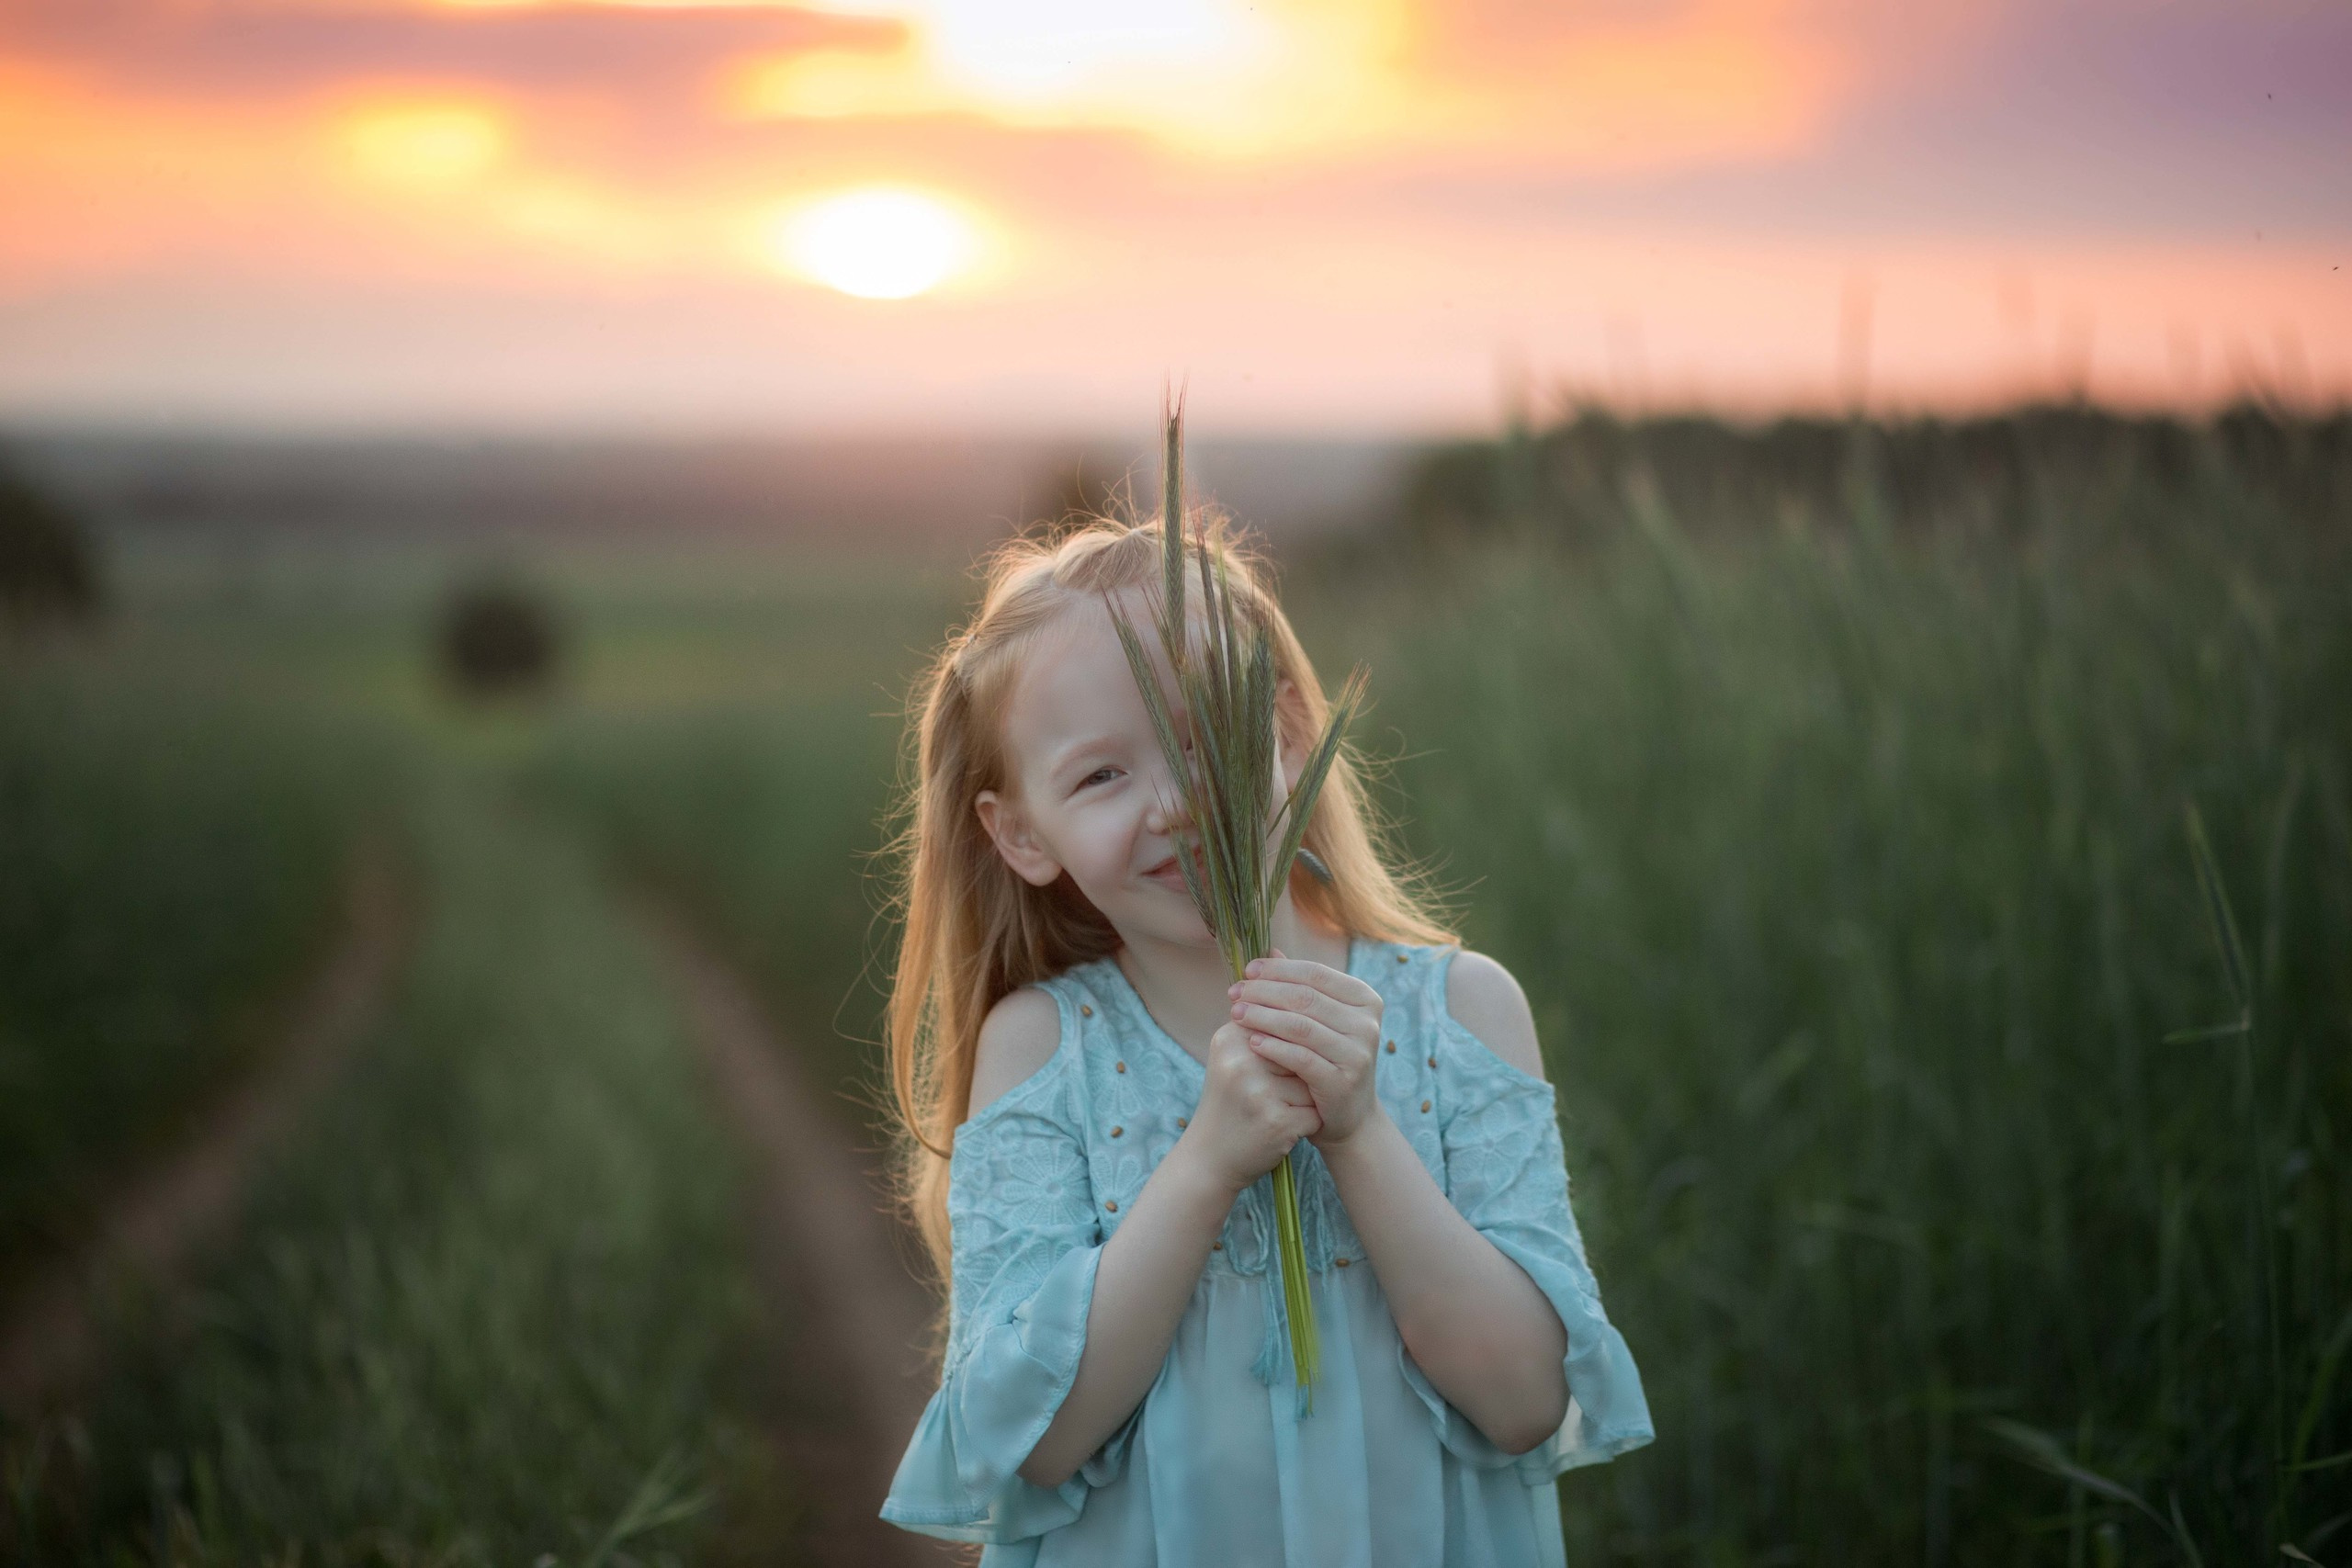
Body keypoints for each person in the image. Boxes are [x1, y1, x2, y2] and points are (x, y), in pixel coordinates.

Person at [876, 505, 1651, 1566]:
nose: (1178, 806)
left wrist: (1360, 1128)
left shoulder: (1459, 1014)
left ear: (1288, 731)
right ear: (1020, 834)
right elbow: (1031, 1442)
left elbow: (1523, 1401)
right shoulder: (1042, 1050)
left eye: (1208, 742)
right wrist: (1205, 1163)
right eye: (1101, 775)